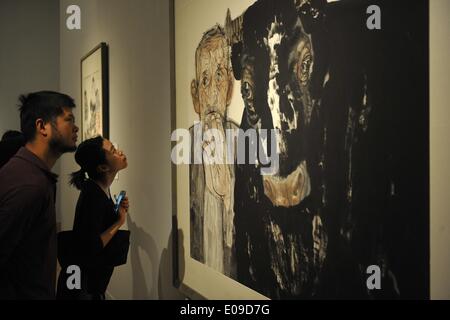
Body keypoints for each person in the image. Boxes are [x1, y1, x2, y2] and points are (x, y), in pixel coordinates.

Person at [0, 91, 78, 299]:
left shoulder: (24, 172)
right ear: (42, 126)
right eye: (68, 120)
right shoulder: (30, 186)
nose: (76, 127)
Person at [189, 25, 238, 278]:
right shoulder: (186, 145)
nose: (213, 92)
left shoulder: (244, 144)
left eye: (219, 76)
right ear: (195, 95)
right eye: (205, 80)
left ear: (230, 88)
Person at [56, 136, 129, 300]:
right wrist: (119, 221)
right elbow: (91, 246)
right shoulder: (93, 195)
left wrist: (116, 210)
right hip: (81, 288)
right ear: (103, 167)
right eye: (113, 151)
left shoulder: (98, 189)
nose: (120, 152)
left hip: (83, 283)